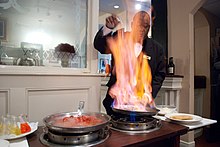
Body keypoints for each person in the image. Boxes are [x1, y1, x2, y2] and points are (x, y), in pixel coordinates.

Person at [93, 11, 166, 116]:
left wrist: (149, 95)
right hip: (116, 101)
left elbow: (159, 75)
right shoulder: (120, 38)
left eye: (145, 26)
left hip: (141, 105)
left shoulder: (157, 49)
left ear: (149, 27)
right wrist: (108, 28)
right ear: (132, 25)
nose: (141, 29)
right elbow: (99, 46)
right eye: (138, 25)